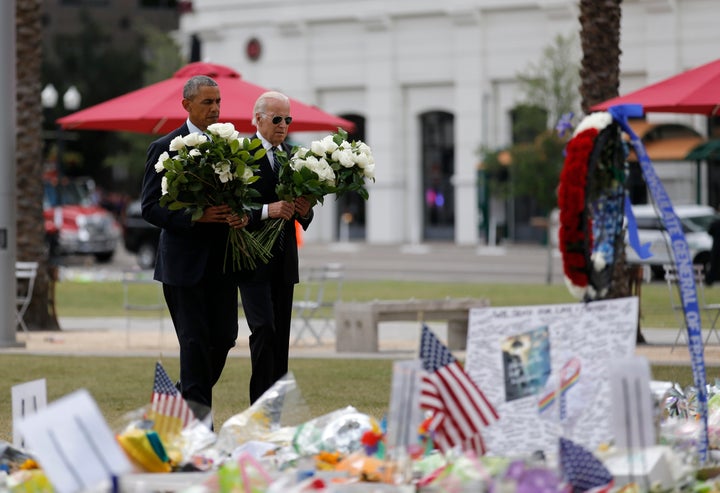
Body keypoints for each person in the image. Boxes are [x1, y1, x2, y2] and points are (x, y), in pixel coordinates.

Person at [140, 75, 249, 418]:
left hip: (223, 264)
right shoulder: (164, 148)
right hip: (183, 267)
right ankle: (199, 428)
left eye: (218, 101)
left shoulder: (232, 148)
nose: (215, 108)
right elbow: (149, 207)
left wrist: (240, 214)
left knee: (226, 338)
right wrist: (195, 218)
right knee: (194, 345)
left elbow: (243, 196)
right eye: (207, 102)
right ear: (186, 105)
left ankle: (180, 397)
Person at [240, 91, 314, 404]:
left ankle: (275, 411)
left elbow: (305, 216)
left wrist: (305, 207)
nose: (283, 125)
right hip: (252, 259)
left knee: (281, 338)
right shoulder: (241, 155)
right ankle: (259, 405)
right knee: (264, 330)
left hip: (284, 260)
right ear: (257, 119)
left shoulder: (293, 157)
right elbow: (233, 207)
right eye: (277, 118)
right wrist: (267, 209)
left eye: (288, 119)